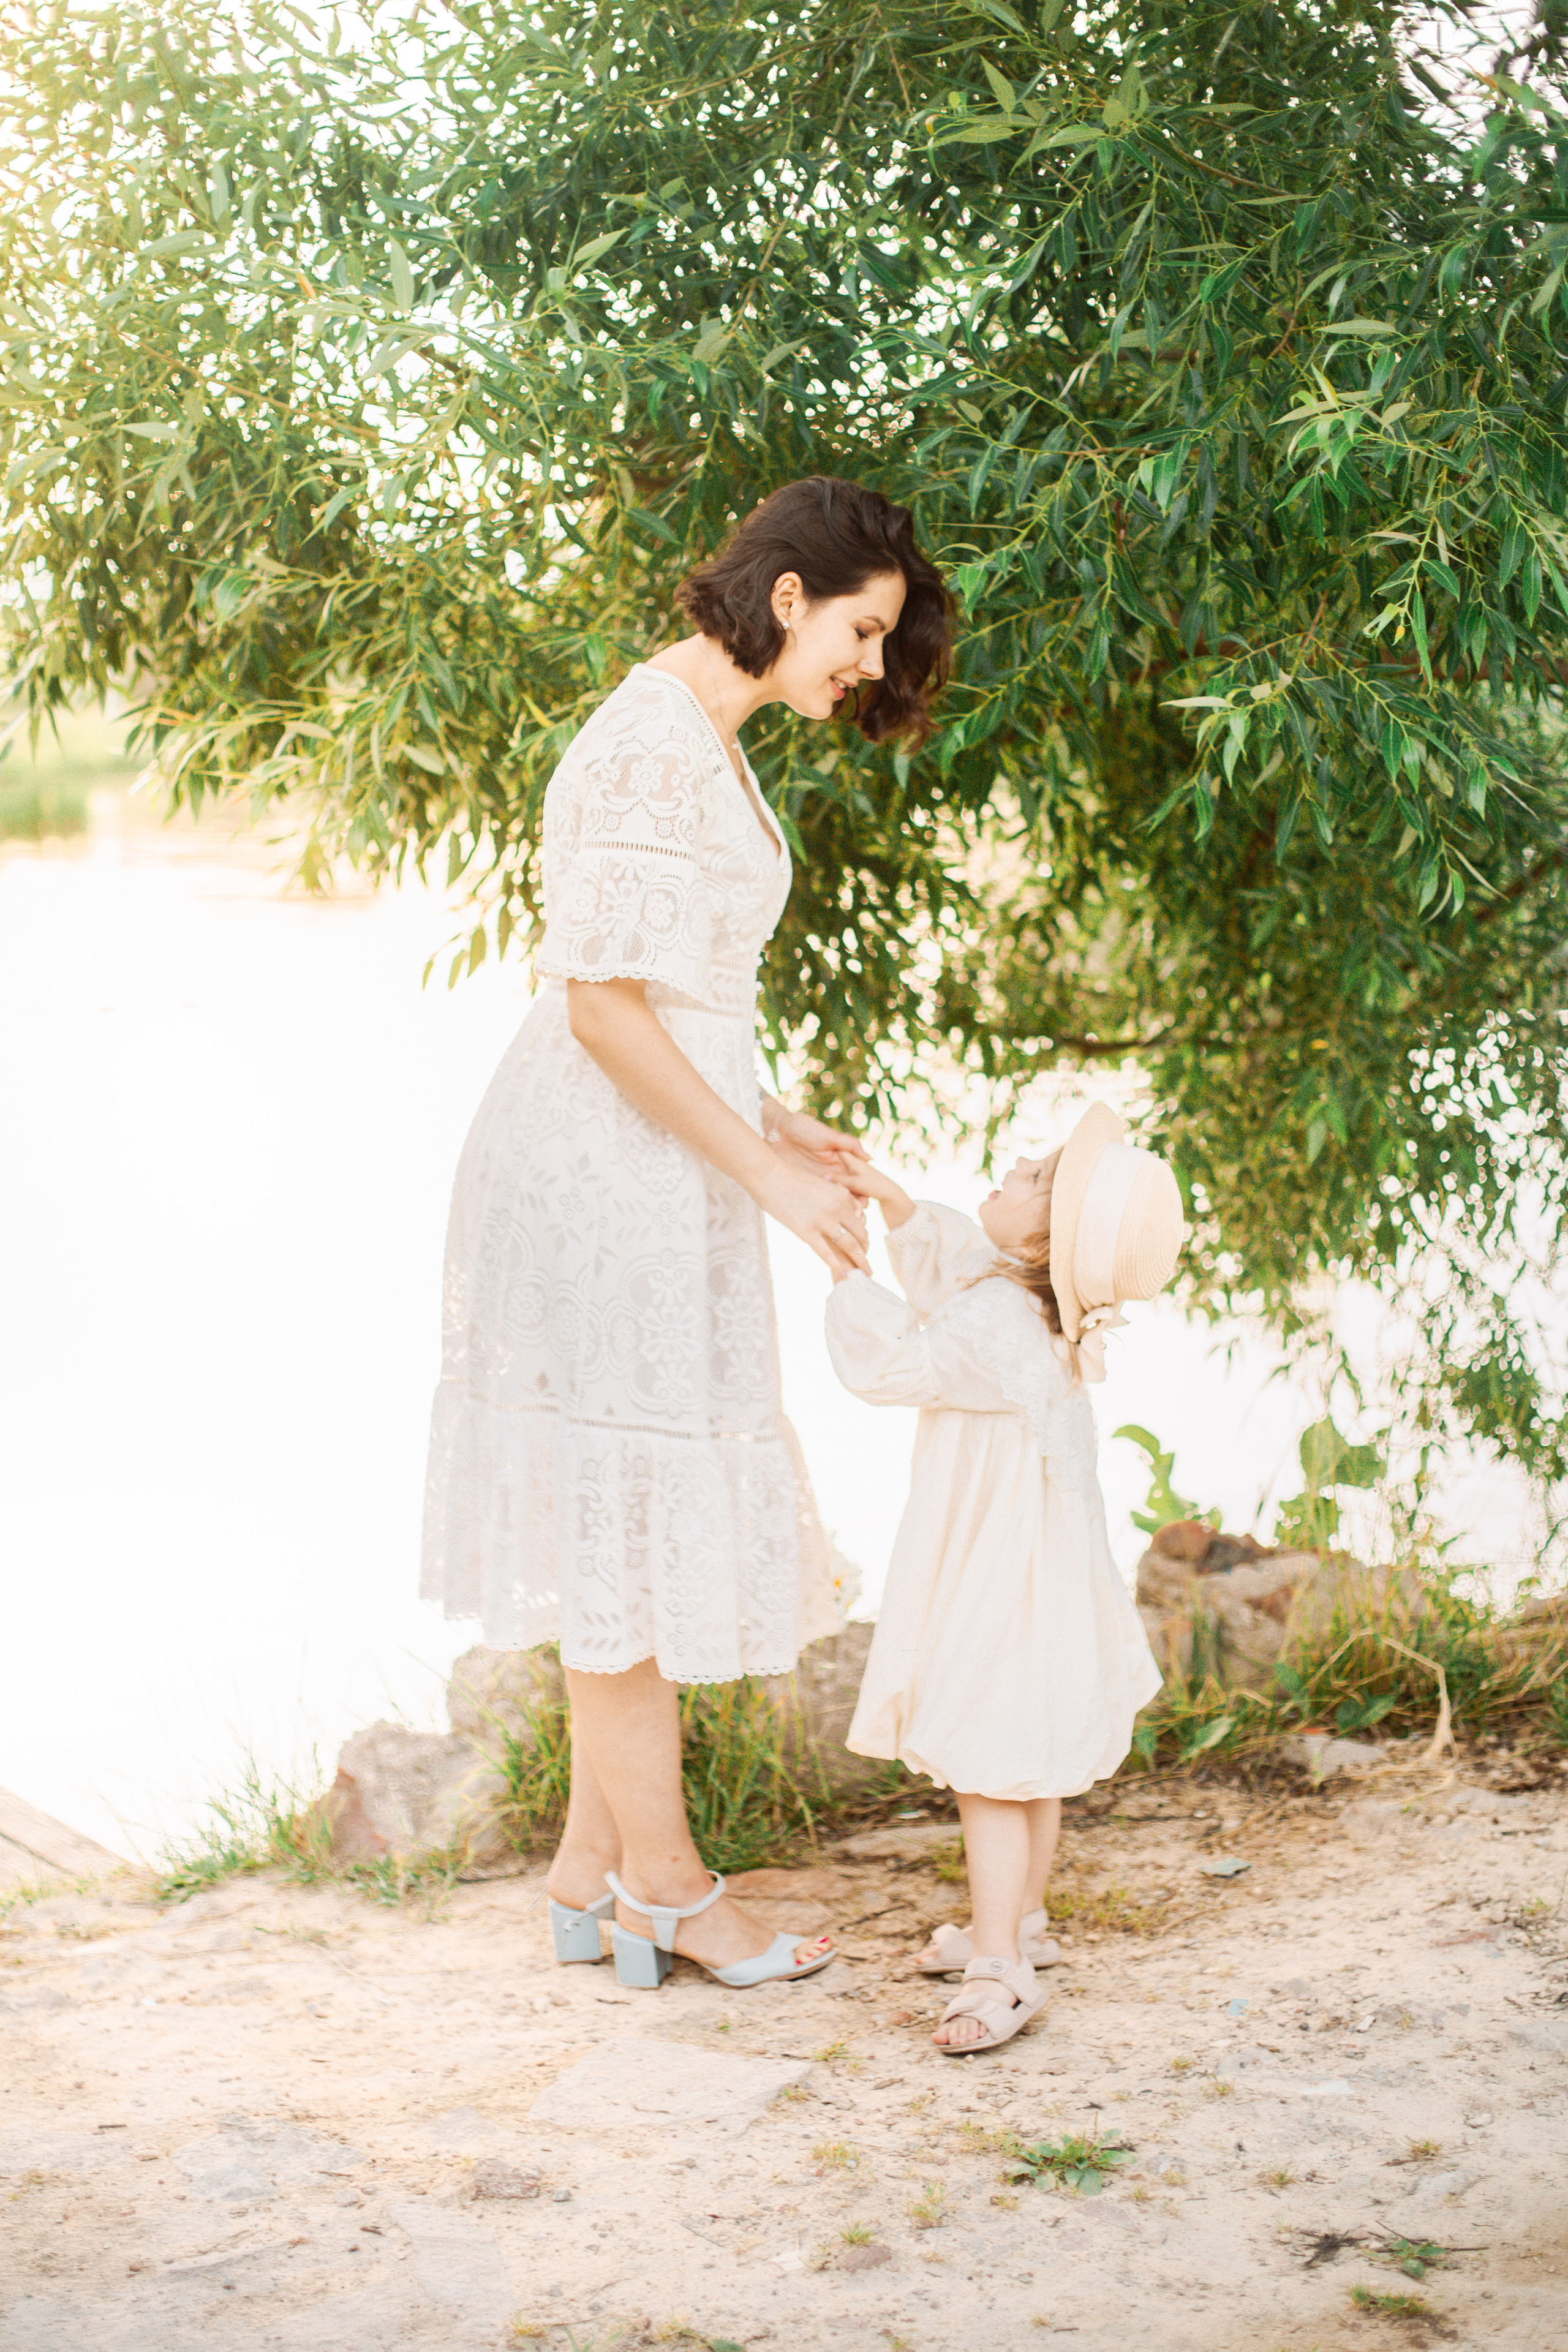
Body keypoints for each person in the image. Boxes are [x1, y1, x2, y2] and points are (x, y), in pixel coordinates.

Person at [421, 477, 953, 1990]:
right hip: (603, 1178)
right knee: (629, 1521)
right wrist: (765, 1181)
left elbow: (667, 991)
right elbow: (597, 1007)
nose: (862, 665)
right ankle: (666, 1887)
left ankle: (590, 1871)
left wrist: (771, 1122)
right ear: (788, 597)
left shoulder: (695, 738)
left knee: (629, 1517)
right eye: (858, 630)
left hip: (656, 1160)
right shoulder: (653, 740)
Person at [824, 1104, 1183, 2051]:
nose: (1011, 1165)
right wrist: (898, 1205)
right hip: (1044, 1578)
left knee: (988, 1767)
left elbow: (893, 1363)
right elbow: (956, 1268)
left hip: (995, 1576)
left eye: (1030, 1177)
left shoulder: (993, 1322)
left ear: (1046, 1238)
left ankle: (999, 1970)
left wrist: (846, 1273)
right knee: (1033, 1762)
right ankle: (1022, 1921)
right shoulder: (1030, 1305)